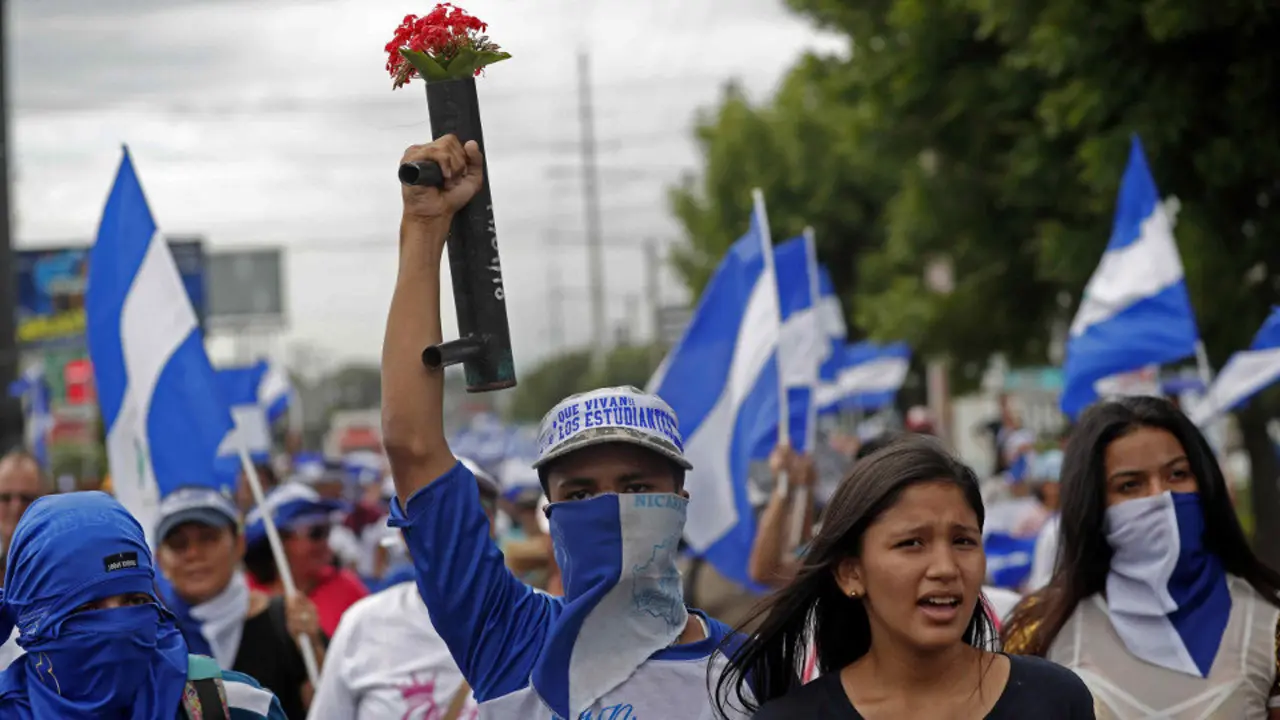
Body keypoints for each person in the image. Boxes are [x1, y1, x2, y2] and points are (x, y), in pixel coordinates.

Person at [381, 134, 744, 720]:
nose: (609, 509)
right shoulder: (509, 635)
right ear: (549, 513)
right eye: (579, 494)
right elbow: (412, 445)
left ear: (680, 501)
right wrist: (422, 228)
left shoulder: (755, 671)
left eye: (635, 487)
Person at [714, 434, 1093, 719]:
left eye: (963, 541)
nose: (945, 568)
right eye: (912, 543)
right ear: (851, 573)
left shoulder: (1056, 700)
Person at [1002, 396, 1280, 718]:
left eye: (1177, 474)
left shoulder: (1270, 622)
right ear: (1093, 502)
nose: (1160, 497)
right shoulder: (1038, 632)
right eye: (1130, 485)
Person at [0, 491, 286, 718]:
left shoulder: (234, 706)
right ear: (34, 621)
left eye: (135, 602)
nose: (119, 624)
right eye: (88, 609)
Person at [307, 456, 500, 720]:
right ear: (403, 531)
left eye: (472, 508)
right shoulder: (363, 624)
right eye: (434, 510)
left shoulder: (538, 620)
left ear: (493, 525)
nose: (455, 525)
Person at [155, 486, 323, 719]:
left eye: (208, 538)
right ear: (160, 559)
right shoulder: (154, 634)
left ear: (239, 544)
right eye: (178, 543)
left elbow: (326, 707)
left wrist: (313, 647)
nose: (193, 554)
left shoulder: (287, 619)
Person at [243, 483, 369, 638]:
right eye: (316, 532)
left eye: (328, 530)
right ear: (279, 541)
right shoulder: (245, 594)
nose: (325, 543)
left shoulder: (347, 588)